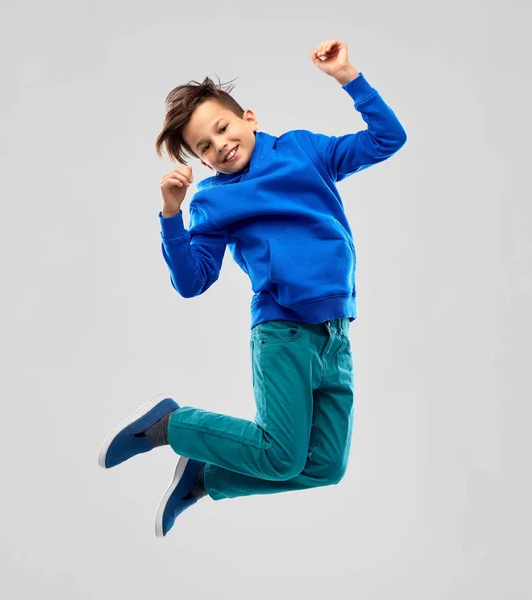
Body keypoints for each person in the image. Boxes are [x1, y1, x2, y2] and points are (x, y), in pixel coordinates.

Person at [98, 39, 407, 538]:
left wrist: (349, 77)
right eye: (205, 147)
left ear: (249, 117)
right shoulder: (213, 202)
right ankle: (169, 425)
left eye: (222, 128)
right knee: (280, 454)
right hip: (282, 332)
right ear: (201, 160)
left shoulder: (305, 151)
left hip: (335, 335)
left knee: (325, 467)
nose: (219, 145)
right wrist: (172, 214)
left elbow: (387, 139)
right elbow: (192, 282)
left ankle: (204, 479)